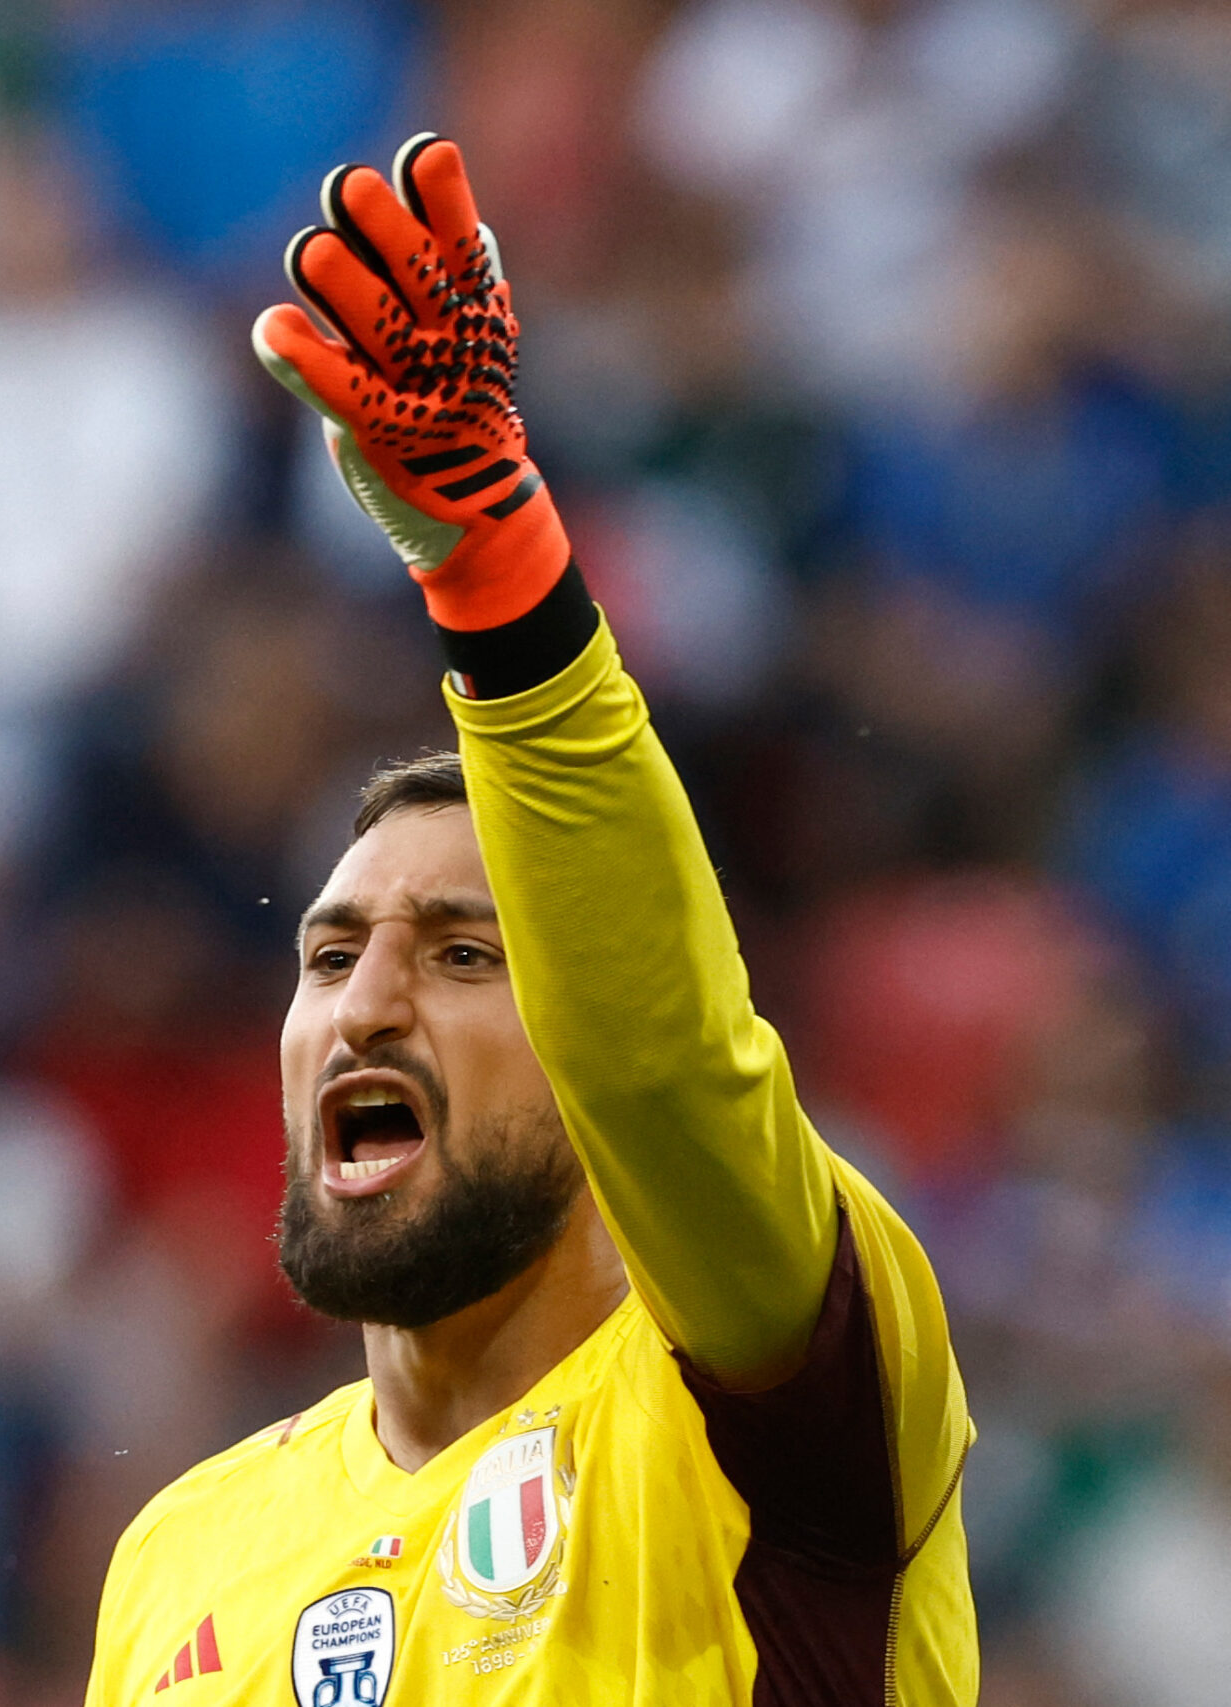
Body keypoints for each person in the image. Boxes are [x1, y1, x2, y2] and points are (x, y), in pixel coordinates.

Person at [84, 136, 976, 1703]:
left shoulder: (764, 1405)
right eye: (331, 952)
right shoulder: (180, 1556)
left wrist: (491, 562)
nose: (362, 1005)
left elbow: (663, 1059)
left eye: (463, 952)